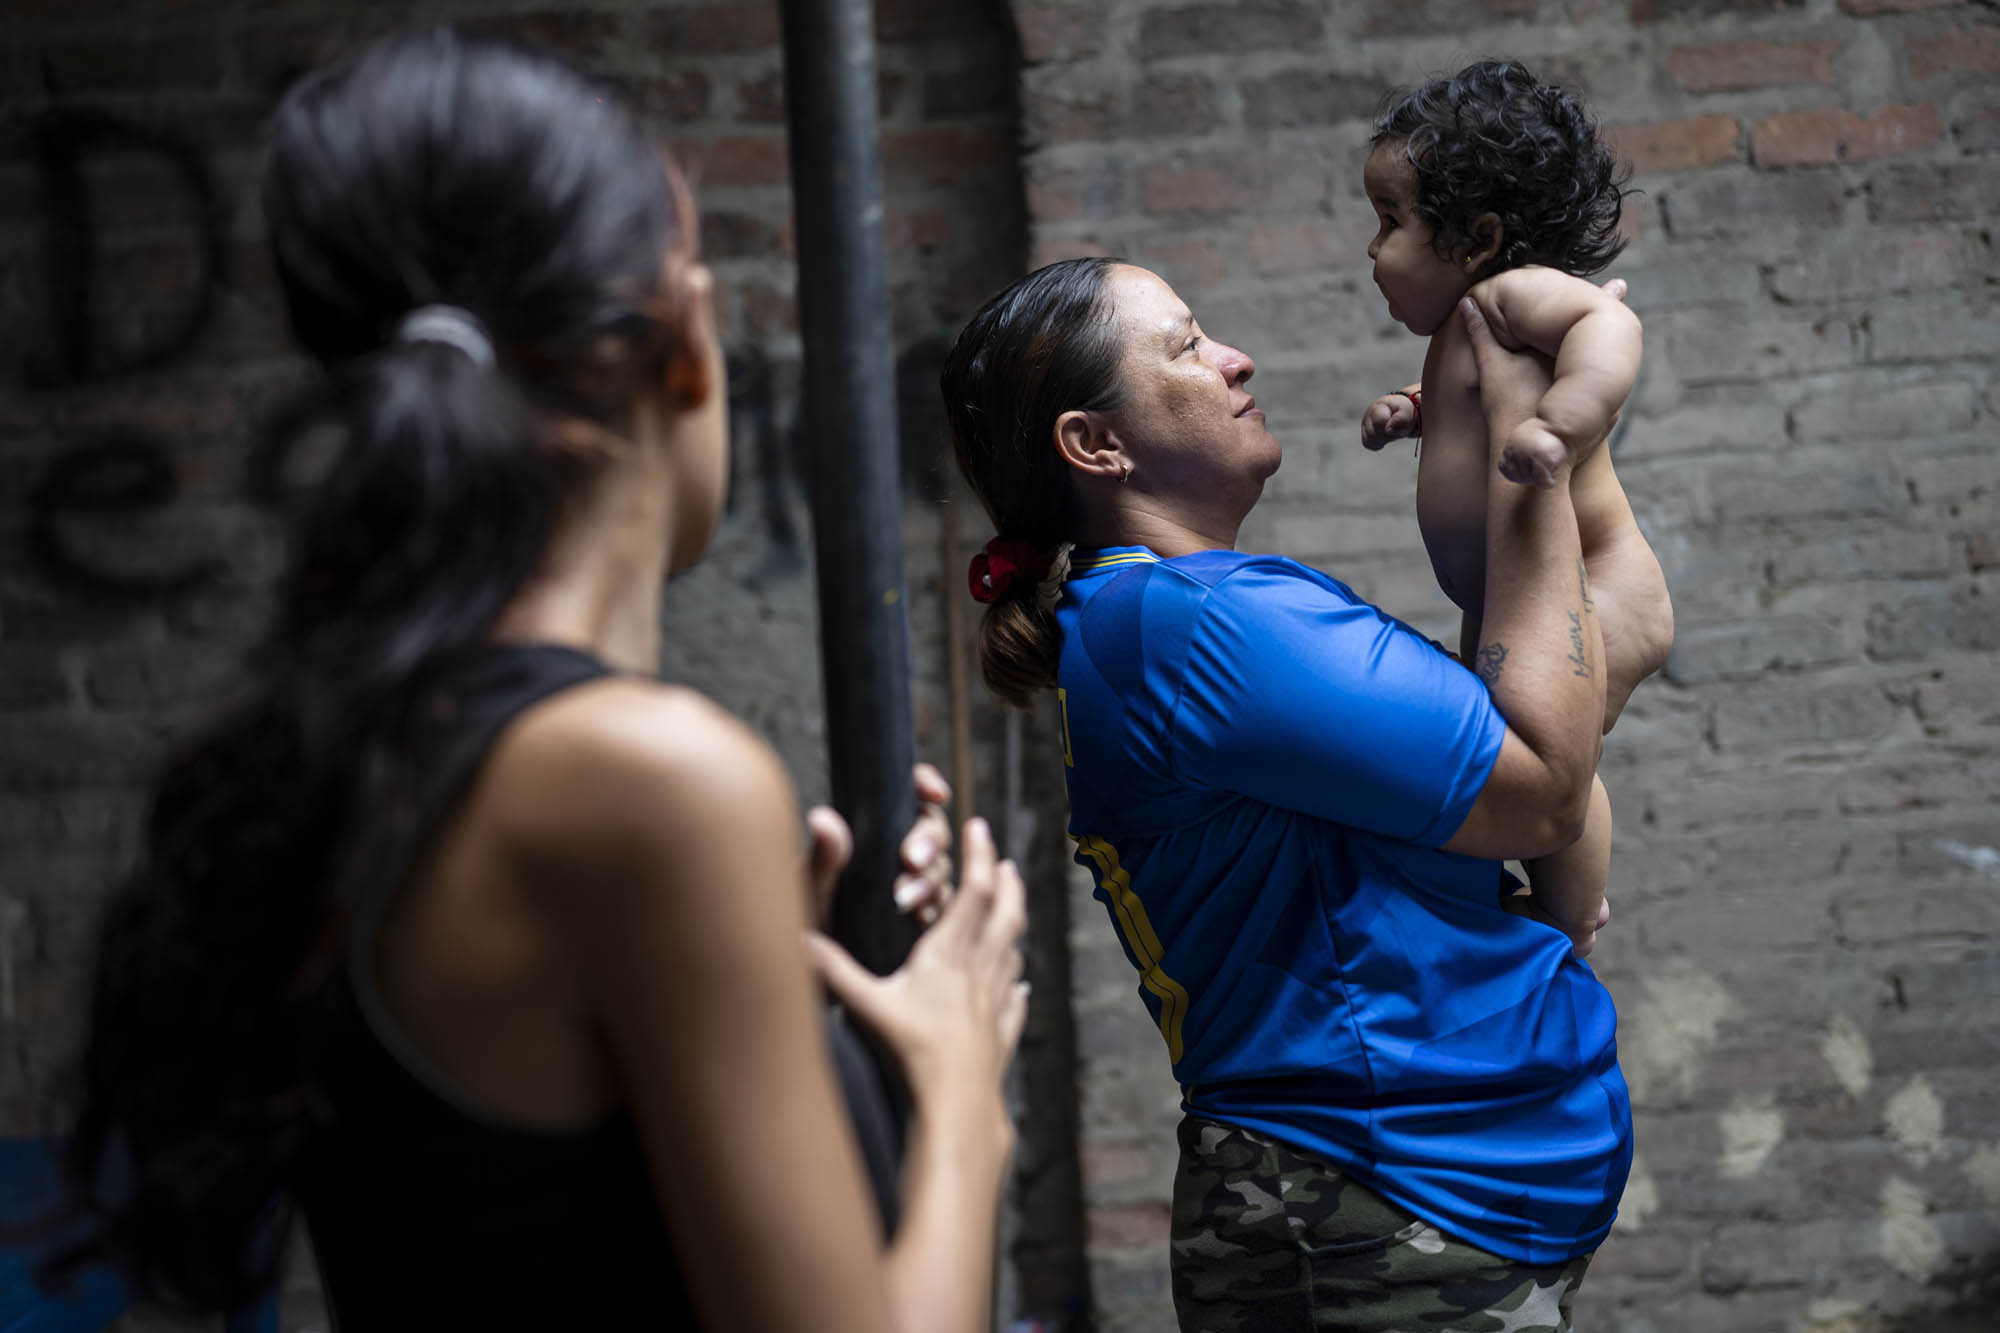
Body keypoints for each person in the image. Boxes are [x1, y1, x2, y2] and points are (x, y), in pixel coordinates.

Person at [43, 30, 1025, 1333]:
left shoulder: (369, 741)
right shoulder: (641, 782)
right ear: (682, 337)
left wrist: (758, 979)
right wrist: (962, 1082)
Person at [944, 256, 1630, 1331]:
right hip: (1371, 1203)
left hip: (1410, 1199)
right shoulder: (1189, 624)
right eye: (1182, 345)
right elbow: (1541, 787)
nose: (1233, 357)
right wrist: (1522, 441)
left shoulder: (1164, 613)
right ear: (1096, 444)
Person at [1359, 59, 1676, 957]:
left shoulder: (1512, 294)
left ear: (1477, 237)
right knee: (1521, 748)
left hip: (1600, 589)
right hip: (1515, 601)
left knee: (1555, 759)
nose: (1371, 248)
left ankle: (1573, 914)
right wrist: (1414, 414)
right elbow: (1467, 408)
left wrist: (1565, 423)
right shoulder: (1470, 324)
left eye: (1390, 222)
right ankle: (1557, 900)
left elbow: (1609, 327)